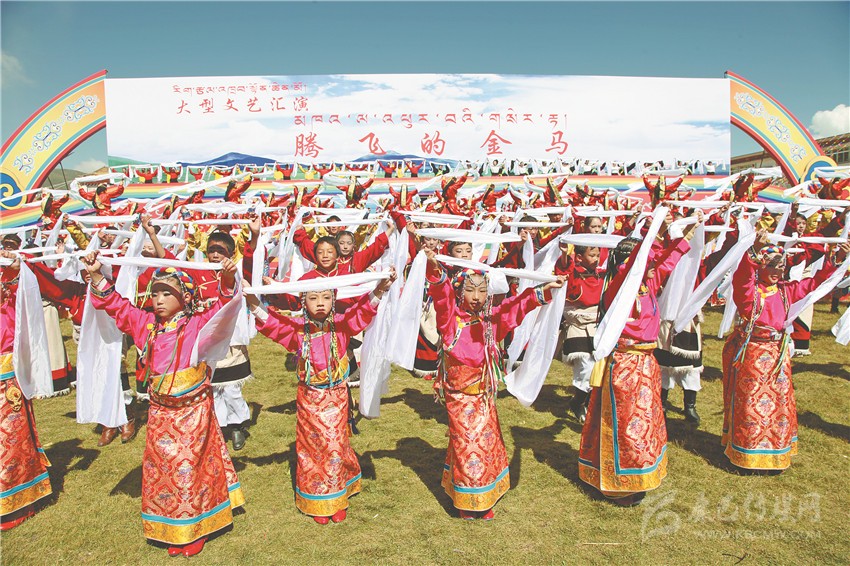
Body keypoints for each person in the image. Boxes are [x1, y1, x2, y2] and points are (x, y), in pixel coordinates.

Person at [83, 251, 244, 557]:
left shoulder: (197, 324)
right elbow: (116, 305)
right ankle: (171, 524)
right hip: (160, 412)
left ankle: (194, 526)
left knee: (188, 466)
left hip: (193, 410)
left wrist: (226, 279)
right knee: (164, 467)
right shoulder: (145, 324)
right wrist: (95, 274)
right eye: (155, 293)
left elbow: (225, 308)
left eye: (166, 293)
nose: (158, 300)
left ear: (186, 297)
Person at [246, 269, 396, 524]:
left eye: (326, 298)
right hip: (309, 399)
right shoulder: (297, 330)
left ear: (333, 300)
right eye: (313, 298)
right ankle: (317, 499)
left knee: (335, 445)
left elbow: (362, 312)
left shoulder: (343, 325)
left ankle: (336, 497)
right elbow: (273, 325)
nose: (320, 303)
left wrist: (380, 289)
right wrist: (252, 301)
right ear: (303, 301)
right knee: (313, 448)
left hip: (337, 397)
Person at [424, 248, 564, 519]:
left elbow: (517, 307)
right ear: (459, 292)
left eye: (482, 290)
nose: (476, 297)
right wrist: (433, 266)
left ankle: (482, 495)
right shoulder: (451, 321)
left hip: (485, 396)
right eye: (470, 290)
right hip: (460, 398)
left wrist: (546, 288)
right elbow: (441, 295)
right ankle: (468, 502)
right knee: (467, 446)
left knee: (486, 445)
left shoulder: (491, 321)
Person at [578, 228, 694, 506]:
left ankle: (640, 474)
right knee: (626, 425)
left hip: (646, 364)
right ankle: (620, 483)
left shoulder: (646, 284)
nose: (654, 266)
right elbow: (633, 267)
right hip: (626, 365)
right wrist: (650, 239)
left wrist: (685, 238)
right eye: (647, 261)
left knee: (644, 424)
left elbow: (666, 263)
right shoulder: (619, 288)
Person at [721, 234, 848, 471]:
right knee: (751, 405)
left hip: (777, 356)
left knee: (778, 404)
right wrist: (754, 250)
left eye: (781, 266)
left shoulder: (785, 291)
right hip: (753, 355)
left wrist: (838, 258)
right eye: (772, 265)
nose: (778, 270)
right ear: (761, 266)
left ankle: (775, 452)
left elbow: (816, 283)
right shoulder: (749, 291)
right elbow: (742, 277)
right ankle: (747, 454)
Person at [0, 252, 52, 531]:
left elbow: (23, 302)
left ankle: (17, 501)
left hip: (7, 385)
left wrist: (13, 269)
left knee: (11, 444)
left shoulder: (9, 305)